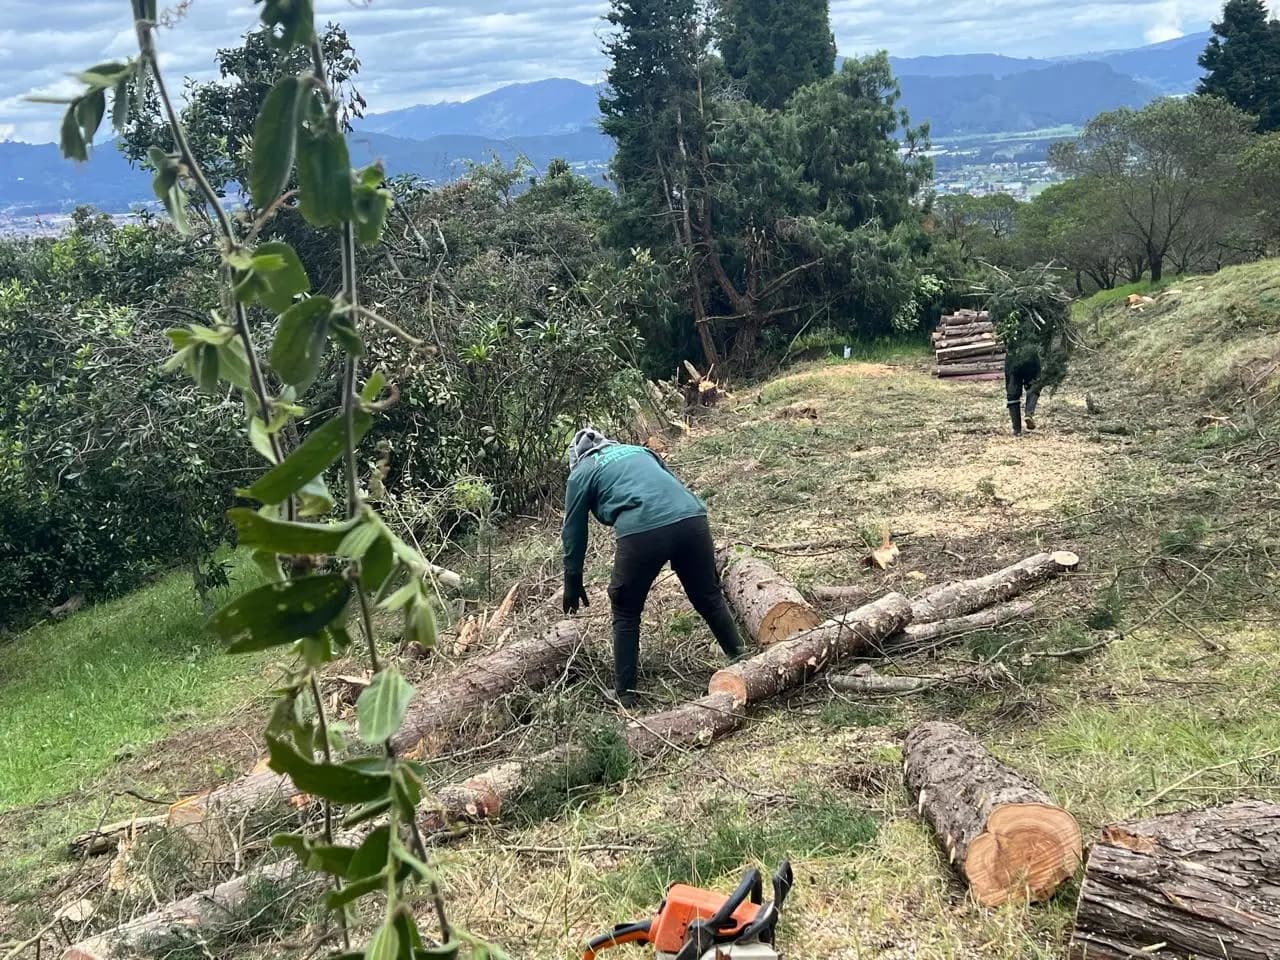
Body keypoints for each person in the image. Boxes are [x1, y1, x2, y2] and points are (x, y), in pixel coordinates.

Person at [561, 428, 743, 708]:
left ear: (576, 458)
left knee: (625, 609)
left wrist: (573, 580)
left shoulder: (582, 471)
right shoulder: (641, 451)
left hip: (642, 530)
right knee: (709, 595)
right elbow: (669, 487)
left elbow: (573, 530)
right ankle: (742, 659)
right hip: (692, 519)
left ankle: (625, 694)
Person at [1004, 342, 1042, 437]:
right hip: (1031, 355)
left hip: (1014, 356)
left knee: (1013, 393)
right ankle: (1029, 413)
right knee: (1033, 385)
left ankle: (1016, 429)